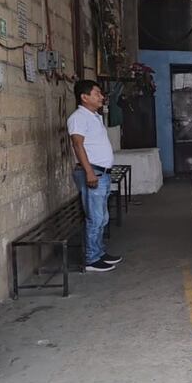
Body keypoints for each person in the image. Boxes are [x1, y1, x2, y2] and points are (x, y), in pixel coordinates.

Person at [68, 80, 123, 272]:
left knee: (102, 217)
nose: (101, 96)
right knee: (95, 218)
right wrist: (89, 171)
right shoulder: (79, 118)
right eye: (97, 93)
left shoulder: (93, 116)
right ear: (84, 97)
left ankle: (99, 252)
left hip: (102, 173)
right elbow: (77, 145)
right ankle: (91, 259)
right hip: (93, 173)